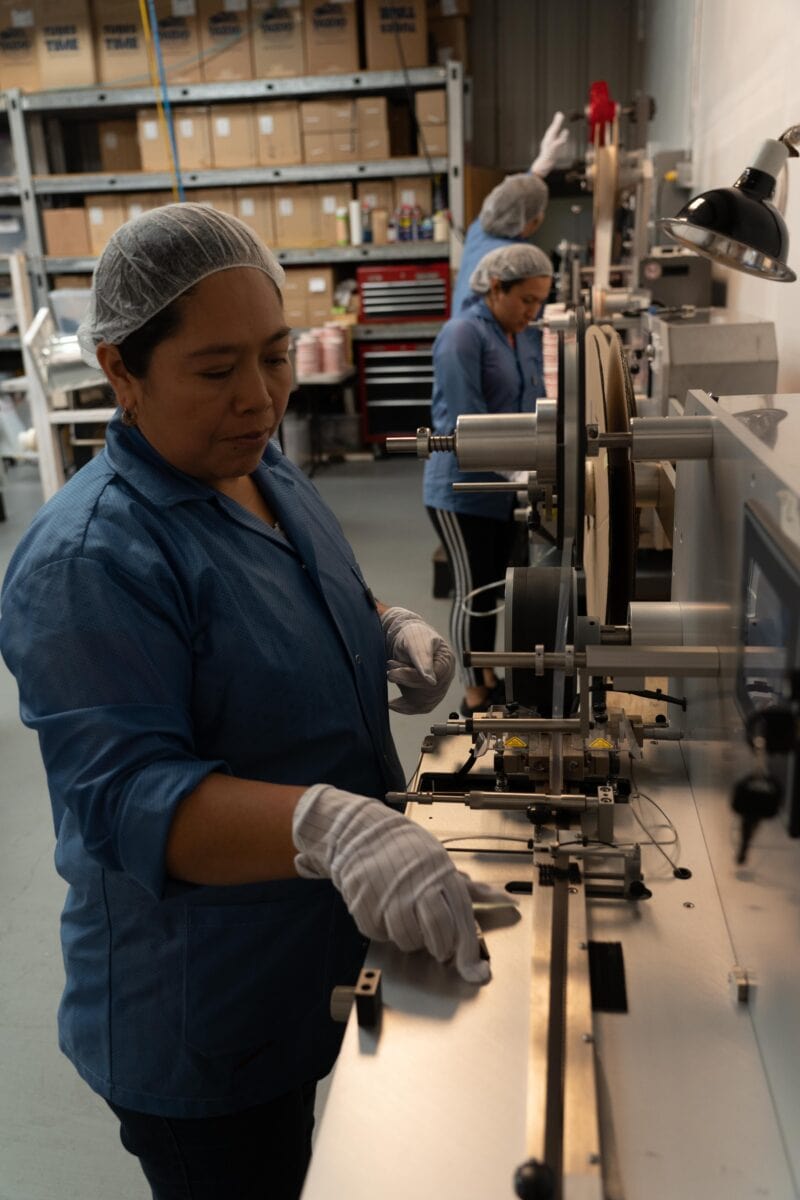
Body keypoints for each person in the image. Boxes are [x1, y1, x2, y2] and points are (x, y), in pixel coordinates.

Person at [0, 203, 511, 1200]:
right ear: (120, 372)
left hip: (314, 949)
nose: (262, 395)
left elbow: (307, 588)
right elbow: (125, 799)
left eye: (276, 356)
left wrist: (379, 629)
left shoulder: (261, 470)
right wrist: (332, 828)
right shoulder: (90, 560)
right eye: (216, 368)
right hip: (204, 1011)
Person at [423, 242, 554, 717]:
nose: (532, 311)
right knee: (473, 590)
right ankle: (475, 691)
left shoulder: (520, 334)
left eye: (540, 301)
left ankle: (489, 672)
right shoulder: (463, 335)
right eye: (526, 300)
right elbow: (464, 422)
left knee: (495, 587)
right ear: (497, 287)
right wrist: (519, 471)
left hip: (502, 491)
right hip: (461, 491)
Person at [450, 111, 568, 315]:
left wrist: (537, 171)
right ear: (526, 223)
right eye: (536, 217)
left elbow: (513, 199)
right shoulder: (513, 261)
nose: (539, 219)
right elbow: (525, 318)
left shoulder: (478, 230)